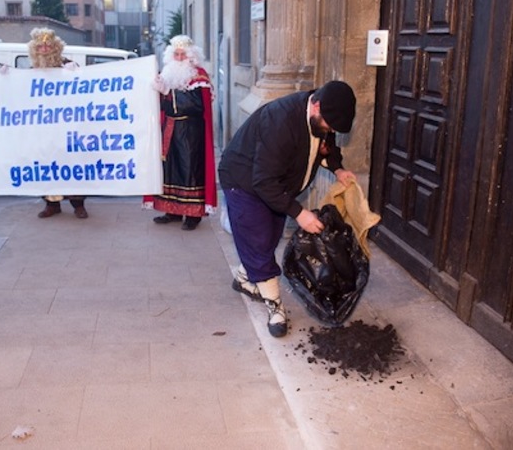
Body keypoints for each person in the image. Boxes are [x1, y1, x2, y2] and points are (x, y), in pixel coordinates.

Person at [218, 80, 358, 337]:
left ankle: (244, 278)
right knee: (259, 239)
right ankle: (275, 307)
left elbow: (327, 148)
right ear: (316, 106)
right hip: (244, 180)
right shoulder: (280, 121)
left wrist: (337, 168)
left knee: (269, 237)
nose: (329, 130)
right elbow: (263, 181)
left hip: (276, 185)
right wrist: (299, 213)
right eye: (328, 124)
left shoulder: (324, 114)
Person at [145, 35, 217, 230]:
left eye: (182, 54)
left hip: (190, 133)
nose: (178, 58)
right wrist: (158, 92)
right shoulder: (167, 74)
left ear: (191, 56)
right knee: (170, 171)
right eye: (175, 54)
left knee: (189, 171)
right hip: (169, 129)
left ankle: (193, 215)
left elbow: (195, 105)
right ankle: (172, 210)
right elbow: (160, 104)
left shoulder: (198, 76)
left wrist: (169, 92)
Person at [27, 28, 88, 219]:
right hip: (43, 128)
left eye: (48, 45)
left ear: (55, 47)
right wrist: (5, 77)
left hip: (66, 126)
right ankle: (51, 204)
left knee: (71, 162)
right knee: (46, 163)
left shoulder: (68, 65)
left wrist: (74, 73)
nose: (44, 48)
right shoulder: (30, 71)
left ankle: (78, 204)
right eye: (40, 45)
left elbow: (85, 88)